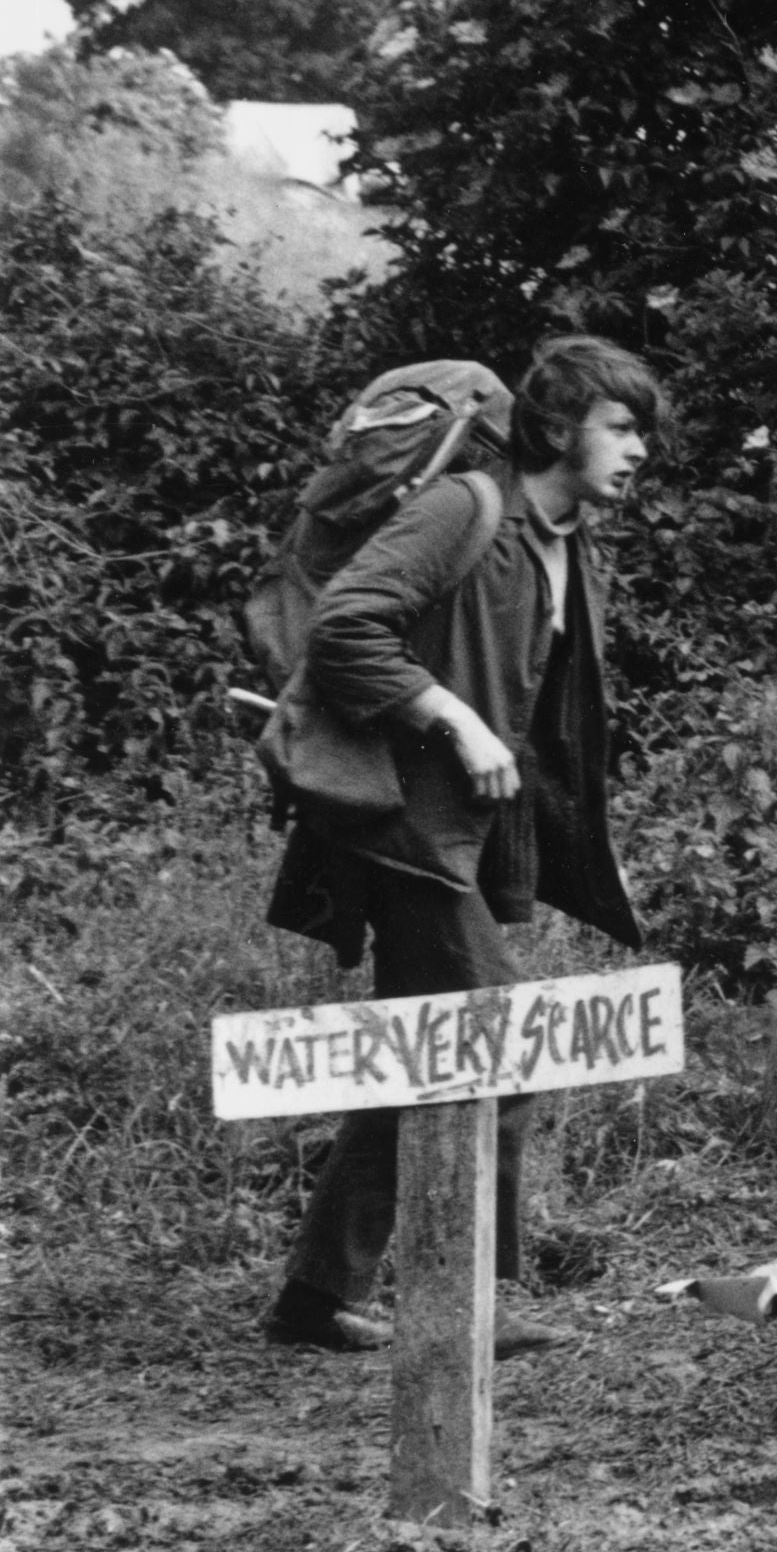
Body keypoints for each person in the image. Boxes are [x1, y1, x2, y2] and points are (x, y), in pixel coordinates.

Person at [258, 335, 660, 1356]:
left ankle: (315, 1297)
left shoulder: (568, 544)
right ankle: (484, 1293)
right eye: (620, 427)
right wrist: (452, 717)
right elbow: (347, 628)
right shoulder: (467, 508)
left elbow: (545, 703)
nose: (638, 450)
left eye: (643, 433)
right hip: (401, 824)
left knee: (421, 1058)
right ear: (560, 427)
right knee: (501, 1047)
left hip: (465, 838)